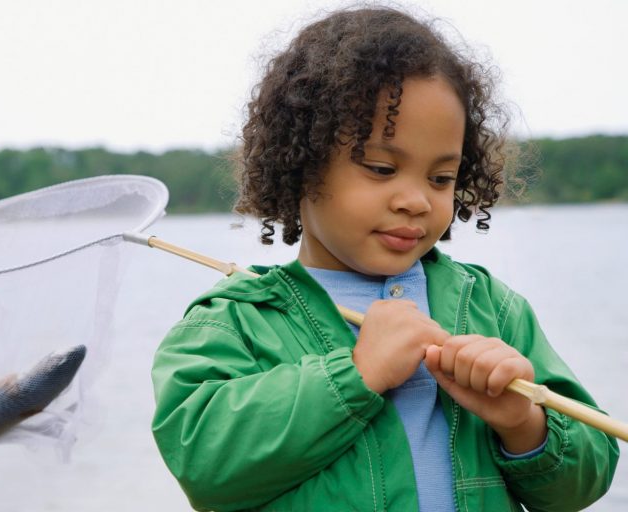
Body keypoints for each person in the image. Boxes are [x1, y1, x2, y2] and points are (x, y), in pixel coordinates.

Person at [151, 6, 619, 511]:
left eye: (441, 179)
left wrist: (522, 422)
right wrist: (357, 373)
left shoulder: (490, 309)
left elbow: (583, 484)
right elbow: (205, 468)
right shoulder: (234, 324)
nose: (416, 200)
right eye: (380, 168)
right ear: (301, 165)